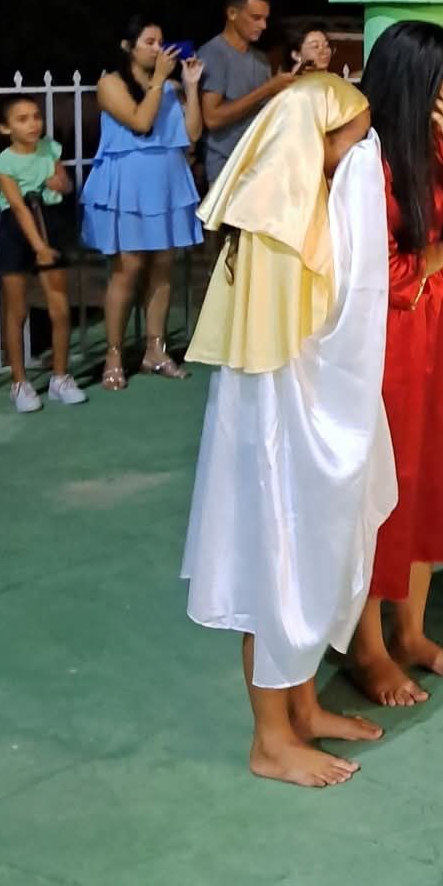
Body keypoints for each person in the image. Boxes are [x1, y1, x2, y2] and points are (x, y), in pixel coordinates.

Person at [182, 73, 396, 787]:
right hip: (275, 419)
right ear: (313, 138)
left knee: (305, 554)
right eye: (350, 137)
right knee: (271, 561)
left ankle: (301, 709)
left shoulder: (308, 199)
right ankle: (270, 738)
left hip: (297, 407)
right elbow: (293, 342)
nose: (361, 150)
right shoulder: (277, 214)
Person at [347, 22, 443, 706]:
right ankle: (367, 647)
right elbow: (386, 273)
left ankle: (413, 630)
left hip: (434, 333)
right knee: (386, 484)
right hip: (388, 343)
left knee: (434, 472)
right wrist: (440, 257)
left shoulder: (436, 146)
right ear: (414, 84)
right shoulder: (365, 160)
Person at [81, 15, 206, 390]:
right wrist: (158, 82)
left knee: (162, 268)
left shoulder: (167, 87)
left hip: (165, 181)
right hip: (129, 183)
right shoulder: (110, 83)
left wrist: (191, 87)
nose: (158, 49)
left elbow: (193, 133)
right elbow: (141, 122)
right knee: (128, 269)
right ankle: (114, 354)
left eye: (160, 41)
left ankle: (156, 350)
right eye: (150, 42)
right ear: (127, 46)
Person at [0, 94, 87, 412]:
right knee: (17, 311)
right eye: (22, 119)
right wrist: (39, 247)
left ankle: (60, 377)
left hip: (50, 223)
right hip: (18, 230)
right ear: (4, 127)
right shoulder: (3, 162)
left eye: (36, 116)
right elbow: (17, 206)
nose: (33, 124)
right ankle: (20, 383)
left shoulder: (50, 148)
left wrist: (62, 183)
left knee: (59, 308)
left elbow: (65, 184)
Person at [198, 0, 293, 186]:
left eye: (265, 19)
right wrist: (267, 89)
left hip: (258, 165)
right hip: (225, 168)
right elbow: (212, 118)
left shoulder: (261, 60)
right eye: (256, 18)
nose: (263, 25)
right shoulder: (213, 54)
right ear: (232, 14)